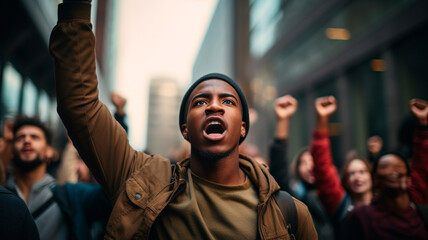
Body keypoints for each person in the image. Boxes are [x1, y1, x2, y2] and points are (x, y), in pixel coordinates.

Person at [49, 1, 318, 239]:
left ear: (243, 128)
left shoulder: (291, 215)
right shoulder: (142, 179)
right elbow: (80, 105)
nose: (214, 106)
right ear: (185, 129)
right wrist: (77, 8)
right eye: (200, 102)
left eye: (228, 101)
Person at [5, 116, 111, 240]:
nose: (27, 140)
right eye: (20, 138)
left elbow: (110, 192)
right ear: (11, 151)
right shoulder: (3, 194)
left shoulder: (71, 195)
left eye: (35, 137)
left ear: (49, 151)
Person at [342, 98, 428, 239]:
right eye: (386, 167)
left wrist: (423, 126)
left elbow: (422, 168)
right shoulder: (360, 217)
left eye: (399, 167)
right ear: (375, 179)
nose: (393, 172)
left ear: (408, 179)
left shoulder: (418, 212)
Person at [269, 95, 335, 240]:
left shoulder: (333, 196)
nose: (310, 167)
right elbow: (279, 170)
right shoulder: (295, 196)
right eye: (304, 163)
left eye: (313, 162)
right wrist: (283, 120)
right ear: (297, 169)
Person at [310, 96, 373, 237]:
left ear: (371, 176)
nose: (357, 177)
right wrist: (322, 120)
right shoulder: (341, 205)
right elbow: (322, 168)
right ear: (345, 181)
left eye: (362, 172)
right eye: (351, 174)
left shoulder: (386, 204)